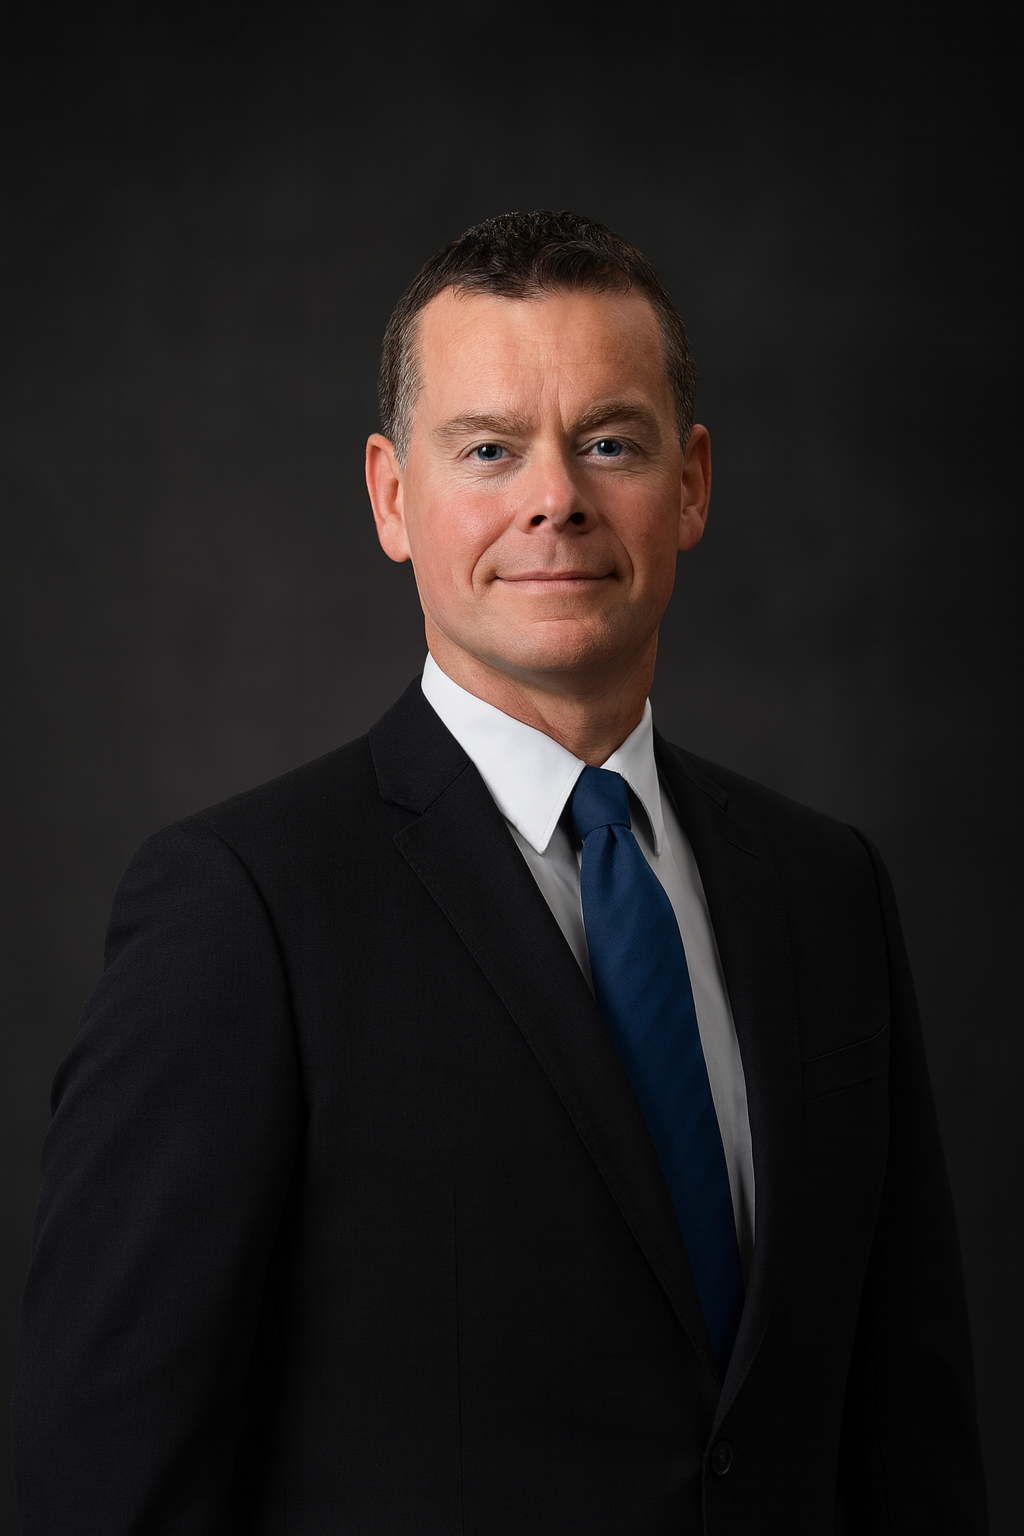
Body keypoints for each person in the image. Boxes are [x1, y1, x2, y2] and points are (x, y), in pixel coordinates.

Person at [12, 211, 987, 1533]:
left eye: (609, 443)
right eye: (488, 448)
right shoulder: (239, 912)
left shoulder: (828, 893)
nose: (556, 499)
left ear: (690, 485)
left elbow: (910, 1442)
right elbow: (105, 1483)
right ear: (391, 498)